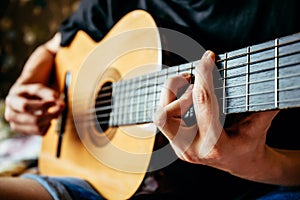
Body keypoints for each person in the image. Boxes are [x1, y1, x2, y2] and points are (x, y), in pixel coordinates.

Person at [1, 0, 300, 199]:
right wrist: (26, 84)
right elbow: (54, 47)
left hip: (266, 186)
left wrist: (257, 163)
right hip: (98, 179)